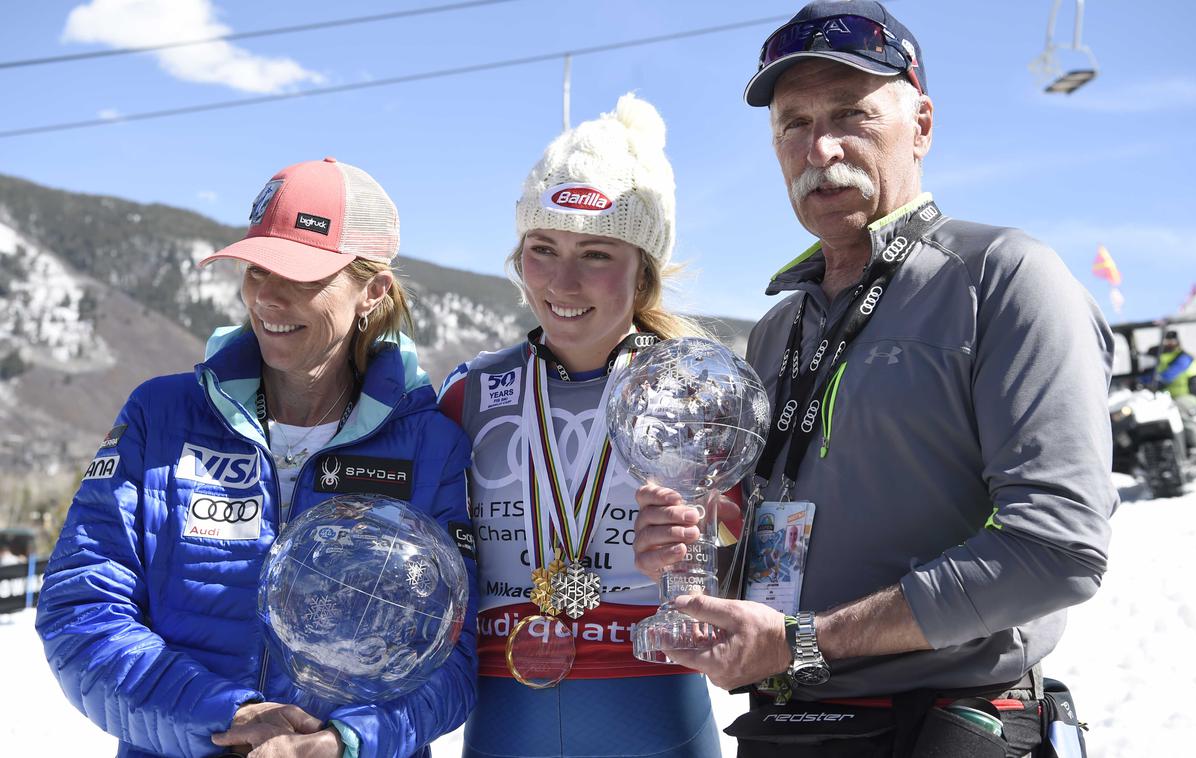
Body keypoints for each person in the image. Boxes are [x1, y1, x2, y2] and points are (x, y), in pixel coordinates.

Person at [632, 2, 1117, 756]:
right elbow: (780, 560)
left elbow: (1058, 547)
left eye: (851, 114)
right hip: (787, 728)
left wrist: (806, 641)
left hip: (950, 723)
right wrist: (704, 564)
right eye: (793, 124)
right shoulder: (775, 333)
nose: (820, 147)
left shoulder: (1005, 279)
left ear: (920, 124)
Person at [35, 158, 477, 758]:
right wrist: (226, 715)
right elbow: (79, 610)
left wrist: (344, 743)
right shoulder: (160, 416)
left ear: (372, 290)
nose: (267, 296)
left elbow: (454, 655)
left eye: (300, 276)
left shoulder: (432, 446)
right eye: (256, 269)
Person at [438, 94, 722, 757]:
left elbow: (760, 571)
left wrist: (704, 557)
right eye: (543, 247)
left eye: (596, 253)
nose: (563, 280)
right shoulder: (468, 394)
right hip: (510, 713)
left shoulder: (697, 394)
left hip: (656, 719)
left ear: (643, 270)